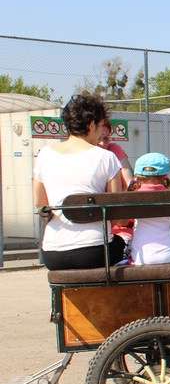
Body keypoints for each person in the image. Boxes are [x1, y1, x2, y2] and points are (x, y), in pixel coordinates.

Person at [33, 94, 126, 270]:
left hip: (53, 253)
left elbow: (40, 202)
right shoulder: (107, 157)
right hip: (95, 250)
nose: (101, 133)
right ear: (91, 125)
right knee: (122, 244)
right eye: (100, 126)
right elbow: (117, 216)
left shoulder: (44, 154)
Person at [128, 153, 170, 265]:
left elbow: (123, 222)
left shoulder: (132, 197)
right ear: (165, 175)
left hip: (141, 258)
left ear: (138, 175)